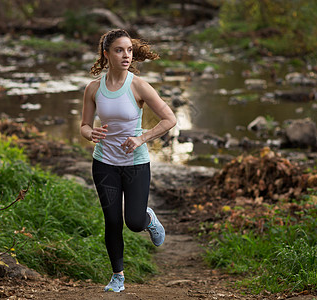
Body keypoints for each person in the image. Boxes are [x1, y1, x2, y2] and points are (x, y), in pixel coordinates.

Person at [80, 28, 177, 292]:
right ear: (106, 54)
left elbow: (170, 119)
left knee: (132, 222)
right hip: (104, 164)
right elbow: (85, 126)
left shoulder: (138, 86)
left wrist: (142, 138)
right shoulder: (93, 88)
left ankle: (148, 219)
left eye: (129, 50)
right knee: (112, 221)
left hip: (135, 164)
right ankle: (118, 277)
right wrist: (91, 134)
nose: (126, 55)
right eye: (119, 50)